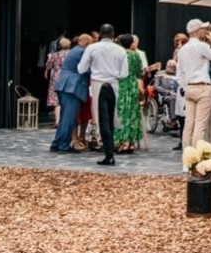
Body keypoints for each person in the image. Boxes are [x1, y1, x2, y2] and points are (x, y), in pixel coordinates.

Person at [78, 24, 128, 166]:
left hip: (98, 84)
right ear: (113, 34)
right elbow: (124, 73)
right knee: (111, 119)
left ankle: (108, 154)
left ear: (100, 34)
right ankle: (110, 151)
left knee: (102, 120)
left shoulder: (92, 48)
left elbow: (81, 69)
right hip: (114, 84)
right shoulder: (120, 50)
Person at [177, 19, 211, 151]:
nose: (204, 31)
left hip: (189, 87)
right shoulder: (201, 46)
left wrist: (185, 87)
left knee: (189, 124)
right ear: (197, 31)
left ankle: (187, 155)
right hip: (202, 86)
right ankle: (196, 155)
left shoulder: (182, 49)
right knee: (200, 124)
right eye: (202, 29)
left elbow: (179, 73)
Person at [50, 34, 91, 152]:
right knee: (69, 117)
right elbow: (87, 69)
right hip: (72, 86)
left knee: (64, 117)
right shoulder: (82, 52)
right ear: (87, 43)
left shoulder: (74, 50)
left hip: (65, 84)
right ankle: (63, 144)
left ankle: (57, 142)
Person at [113, 34, 144, 154]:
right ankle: (131, 142)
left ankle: (122, 141)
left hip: (121, 84)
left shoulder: (119, 54)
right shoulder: (136, 55)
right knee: (132, 113)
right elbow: (140, 72)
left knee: (121, 113)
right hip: (133, 85)